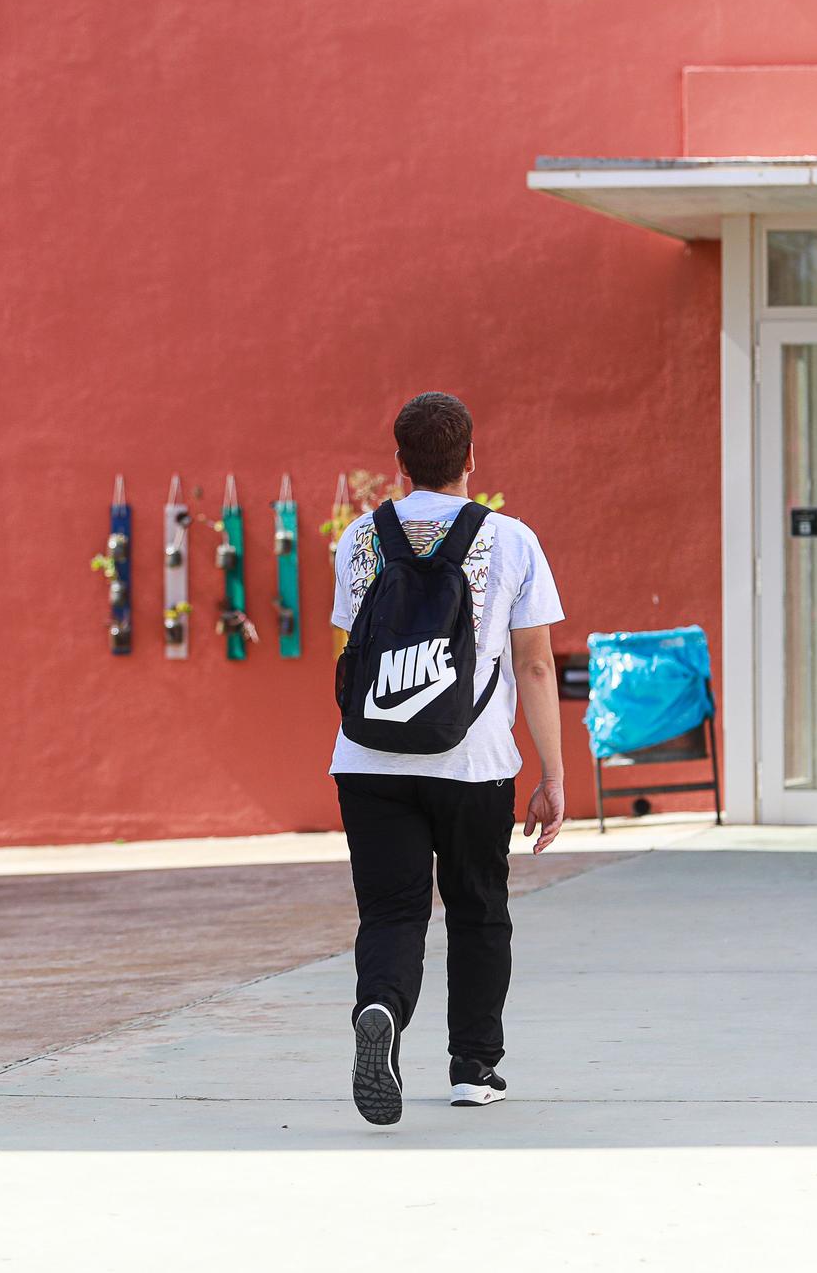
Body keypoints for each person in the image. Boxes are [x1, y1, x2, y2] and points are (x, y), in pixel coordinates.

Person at [330, 391, 565, 1126]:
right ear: (470, 458)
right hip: (474, 762)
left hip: (368, 760)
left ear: (398, 464)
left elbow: (349, 657)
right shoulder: (514, 540)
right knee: (477, 910)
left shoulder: (358, 540)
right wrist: (552, 775)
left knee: (392, 911)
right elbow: (534, 666)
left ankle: (381, 1006)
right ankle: (474, 1067)